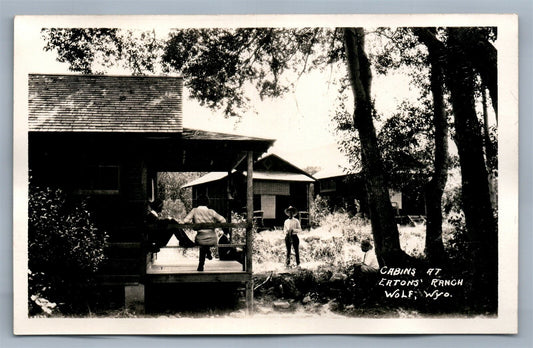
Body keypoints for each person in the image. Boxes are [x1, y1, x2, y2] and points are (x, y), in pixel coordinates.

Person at [183, 195, 226, 271]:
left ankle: (201, 264)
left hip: (200, 239)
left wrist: (194, 225)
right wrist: (215, 224)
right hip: (213, 239)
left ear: (198, 202)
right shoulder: (211, 211)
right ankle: (207, 253)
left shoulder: (194, 210)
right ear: (207, 202)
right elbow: (223, 220)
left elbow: (185, 221)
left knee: (202, 243)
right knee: (205, 243)